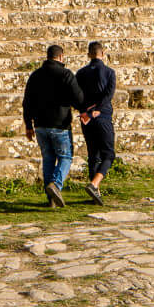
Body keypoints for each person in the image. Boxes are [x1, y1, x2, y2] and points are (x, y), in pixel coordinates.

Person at [21, 44, 85, 207]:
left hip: (40, 125)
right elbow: (78, 98)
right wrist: (84, 110)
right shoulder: (66, 74)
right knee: (65, 157)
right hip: (60, 124)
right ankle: (55, 185)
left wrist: (28, 125)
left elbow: (27, 102)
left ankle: (51, 199)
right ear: (61, 57)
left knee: (48, 159)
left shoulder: (35, 75)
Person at [75, 41, 116, 203]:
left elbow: (76, 95)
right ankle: (95, 183)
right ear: (103, 53)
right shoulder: (109, 72)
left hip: (86, 118)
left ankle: (95, 193)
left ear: (88, 54)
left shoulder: (80, 73)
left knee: (93, 155)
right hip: (103, 116)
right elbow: (108, 94)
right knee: (108, 154)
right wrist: (97, 109)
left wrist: (84, 111)